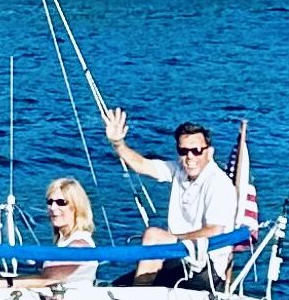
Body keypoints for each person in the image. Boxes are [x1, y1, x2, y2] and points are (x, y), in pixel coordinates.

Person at [102, 110, 239, 287]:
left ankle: (138, 298)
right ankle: (136, 294)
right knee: (117, 286)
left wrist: (171, 240)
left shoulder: (218, 183)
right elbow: (142, 164)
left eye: (197, 151)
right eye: (183, 151)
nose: (190, 157)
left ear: (209, 152)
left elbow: (213, 231)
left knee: (153, 236)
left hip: (206, 267)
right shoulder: (178, 171)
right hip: (177, 258)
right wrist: (118, 143)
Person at [39, 176, 96, 284]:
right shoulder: (65, 241)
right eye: (50, 202)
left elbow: (49, 279)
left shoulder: (79, 245)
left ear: (77, 206)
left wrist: (9, 283)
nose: (53, 207)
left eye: (61, 202)